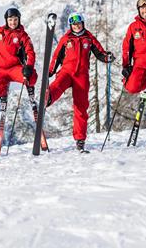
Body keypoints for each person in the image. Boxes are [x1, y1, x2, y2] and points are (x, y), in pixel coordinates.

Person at [47, 13, 115, 152]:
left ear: (83, 23)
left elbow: (99, 53)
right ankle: (47, 98)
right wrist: (50, 71)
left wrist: (107, 57)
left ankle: (80, 140)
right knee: (58, 85)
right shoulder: (66, 39)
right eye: (74, 24)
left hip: (82, 76)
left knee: (81, 107)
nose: (77, 26)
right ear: (70, 25)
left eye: (79, 23)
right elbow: (57, 57)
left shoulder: (88, 38)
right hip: (66, 72)